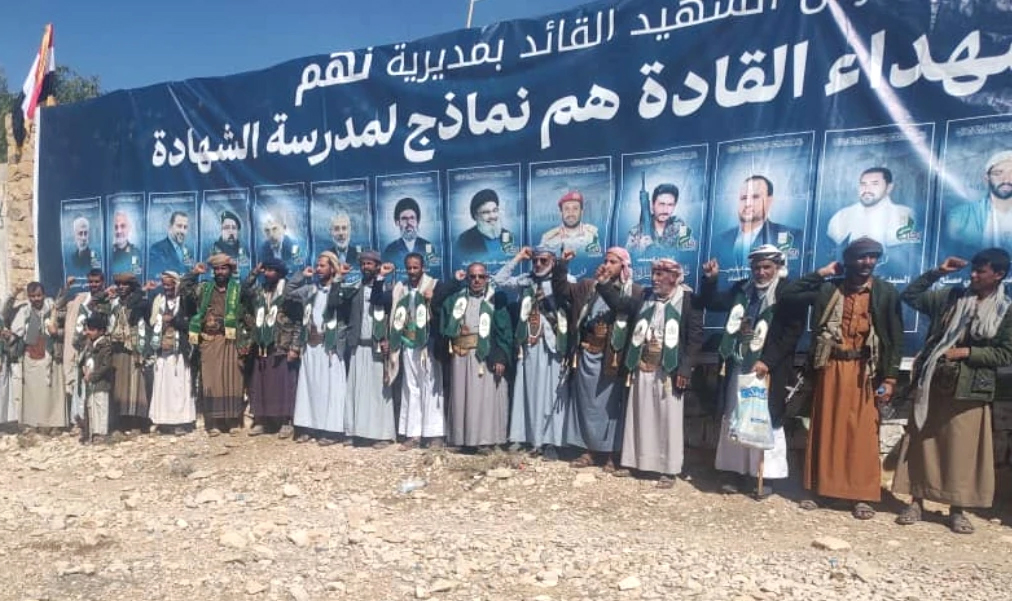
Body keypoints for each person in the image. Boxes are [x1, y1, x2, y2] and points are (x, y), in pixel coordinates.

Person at [780, 237, 903, 519]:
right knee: (827, 428)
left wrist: (891, 378)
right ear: (847, 261)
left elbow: (895, 338)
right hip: (831, 368)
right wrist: (821, 273)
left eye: (872, 257)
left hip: (865, 371)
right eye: (861, 257)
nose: (867, 262)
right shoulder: (829, 289)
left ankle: (861, 496)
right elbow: (788, 295)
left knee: (862, 433)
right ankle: (822, 490)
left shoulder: (885, 292)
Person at [893, 249, 1012, 534]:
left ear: (998, 275)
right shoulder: (952, 297)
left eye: (981, 271)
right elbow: (910, 296)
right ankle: (916, 502)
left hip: (971, 389)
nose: (973, 275)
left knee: (962, 452)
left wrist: (967, 352)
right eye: (973, 270)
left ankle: (957, 510)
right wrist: (938, 272)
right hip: (934, 383)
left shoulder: (1006, 310)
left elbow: (1006, 353)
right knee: (923, 443)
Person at [700, 245, 801, 497]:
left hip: (768, 369)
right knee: (735, 413)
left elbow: (791, 333)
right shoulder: (742, 289)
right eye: (756, 267)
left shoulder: (787, 292)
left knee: (764, 418)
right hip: (739, 362)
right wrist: (711, 280)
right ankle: (733, 471)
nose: (761, 272)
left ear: (778, 267)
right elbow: (713, 303)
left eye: (767, 267)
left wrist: (768, 360)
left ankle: (764, 475)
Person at [553, 247, 645, 472]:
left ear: (623, 266)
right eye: (606, 260)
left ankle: (612, 454)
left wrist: (604, 285)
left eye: (613, 262)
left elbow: (620, 306)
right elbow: (562, 290)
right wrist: (562, 265)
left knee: (610, 408)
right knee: (587, 405)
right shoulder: (588, 285)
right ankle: (589, 450)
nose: (607, 265)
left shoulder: (634, 291)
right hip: (588, 354)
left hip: (612, 358)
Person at [620, 259, 703, 487]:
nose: (654, 279)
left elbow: (695, 339)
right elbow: (620, 304)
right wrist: (606, 283)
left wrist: (685, 368)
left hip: (670, 369)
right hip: (643, 365)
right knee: (640, 414)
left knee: (668, 419)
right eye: (654, 274)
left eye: (660, 275)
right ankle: (637, 462)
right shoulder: (645, 296)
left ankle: (668, 469)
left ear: (674, 278)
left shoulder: (688, 300)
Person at [493, 246, 570, 459]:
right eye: (535, 260)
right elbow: (499, 280)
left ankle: (552, 441)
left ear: (553, 262)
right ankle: (532, 439)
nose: (538, 264)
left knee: (552, 393)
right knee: (530, 391)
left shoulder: (565, 281)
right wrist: (518, 257)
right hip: (530, 345)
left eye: (543, 260)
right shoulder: (527, 280)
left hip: (553, 345)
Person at [372, 253, 452, 449]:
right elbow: (377, 298)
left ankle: (434, 434)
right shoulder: (400, 288)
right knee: (411, 388)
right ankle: (413, 434)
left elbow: (449, 300)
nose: (412, 271)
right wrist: (380, 276)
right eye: (409, 268)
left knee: (431, 386)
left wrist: (434, 298)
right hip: (407, 343)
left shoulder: (434, 285)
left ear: (423, 268)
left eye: (416, 267)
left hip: (428, 344)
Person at [441, 262, 512, 451]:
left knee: (485, 399)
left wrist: (500, 357)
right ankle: (463, 440)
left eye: (481, 276)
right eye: (472, 276)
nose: (477, 280)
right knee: (462, 399)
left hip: (485, 354)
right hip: (461, 357)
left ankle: (485, 440)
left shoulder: (494, 300)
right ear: (467, 279)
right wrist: (456, 329)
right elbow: (438, 308)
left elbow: (504, 331)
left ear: (487, 278)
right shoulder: (456, 299)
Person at [180, 254, 249, 436]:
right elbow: (184, 289)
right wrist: (194, 273)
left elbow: (249, 305)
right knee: (211, 381)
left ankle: (233, 421)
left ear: (230, 270)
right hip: (209, 339)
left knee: (232, 380)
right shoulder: (204, 288)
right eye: (216, 269)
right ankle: (213, 423)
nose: (220, 272)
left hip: (231, 340)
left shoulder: (238, 289)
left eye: (223, 268)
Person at [290, 252, 352, 445]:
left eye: (322, 266)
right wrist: (301, 275)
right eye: (317, 265)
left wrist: (338, 279)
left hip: (330, 345)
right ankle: (309, 427)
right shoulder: (310, 289)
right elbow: (288, 293)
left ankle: (332, 431)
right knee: (310, 386)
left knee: (331, 388)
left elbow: (335, 302)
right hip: (311, 344)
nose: (318, 269)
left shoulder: (342, 288)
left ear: (332, 268)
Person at [342, 250, 396, 447]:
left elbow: (382, 304)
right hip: (358, 345)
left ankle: (381, 435)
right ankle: (355, 431)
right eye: (363, 264)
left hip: (377, 346)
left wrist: (389, 340)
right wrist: (340, 277)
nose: (366, 267)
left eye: (370, 264)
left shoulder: (389, 287)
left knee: (378, 392)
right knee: (355, 390)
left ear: (377, 266)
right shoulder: (355, 288)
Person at [245, 258, 303, 439]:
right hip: (262, 344)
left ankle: (286, 421)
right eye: (265, 270)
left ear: (279, 273)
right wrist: (255, 272)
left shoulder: (288, 292)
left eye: (271, 270)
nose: (267, 273)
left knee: (284, 385)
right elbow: (243, 291)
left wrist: (295, 347)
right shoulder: (260, 290)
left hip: (282, 345)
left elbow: (298, 321)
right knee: (261, 383)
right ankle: (263, 421)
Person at [713, 176, 802, 275]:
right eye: (744, 198)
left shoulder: (791, 236)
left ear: (769, 201)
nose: (747, 204)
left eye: (755, 197)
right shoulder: (720, 240)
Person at [9, 283, 67, 433]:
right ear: (29, 297)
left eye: (39, 295)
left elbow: (64, 325)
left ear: (44, 295)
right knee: (33, 392)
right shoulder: (25, 311)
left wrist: (55, 331)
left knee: (52, 391)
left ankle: (53, 423)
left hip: (50, 354)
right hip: (32, 356)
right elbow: (16, 333)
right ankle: (34, 423)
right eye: (33, 296)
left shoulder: (52, 307)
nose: (36, 299)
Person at [61, 269, 112, 428]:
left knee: (97, 382)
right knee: (81, 382)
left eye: (97, 282)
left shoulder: (107, 300)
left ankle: (97, 424)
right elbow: (60, 306)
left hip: (98, 347)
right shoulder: (82, 298)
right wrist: (66, 287)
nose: (94, 284)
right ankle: (81, 419)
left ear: (102, 282)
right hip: (82, 346)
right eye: (91, 281)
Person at [147, 271, 195, 434]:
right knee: (162, 385)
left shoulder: (184, 302)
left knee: (178, 386)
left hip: (179, 351)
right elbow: (151, 322)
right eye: (165, 285)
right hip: (162, 350)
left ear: (177, 284)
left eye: (170, 285)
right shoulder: (158, 301)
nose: (167, 288)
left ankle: (179, 422)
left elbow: (189, 324)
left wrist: (174, 320)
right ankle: (162, 421)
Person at [826, 168, 916, 250]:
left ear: (889, 188)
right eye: (863, 184)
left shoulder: (905, 215)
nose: (867, 190)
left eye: (874, 184)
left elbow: (902, 251)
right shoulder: (842, 215)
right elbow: (832, 248)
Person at [107, 273, 152, 434]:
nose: (121, 287)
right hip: (118, 349)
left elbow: (146, 323)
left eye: (125, 284)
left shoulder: (141, 302)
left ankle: (137, 422)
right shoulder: (114, 303)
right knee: (119, 387)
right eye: (118, 284)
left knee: (135, 386)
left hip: (135, 349)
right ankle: (121, 422)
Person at [945, 151, 1012, 256]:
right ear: (986, 178)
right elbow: (949, 253)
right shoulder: (961, 216)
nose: (1006, 179)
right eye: (998, 173)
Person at [79, 312, 113, 444]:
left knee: (101, 406)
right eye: (88, 329)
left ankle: (101, 433)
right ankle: (91, 432)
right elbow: (84, 360)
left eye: (92, 330)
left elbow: (105, 366)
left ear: (101, 331)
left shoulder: (106, 346)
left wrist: (93, 376)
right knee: (90, 407)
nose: (88, 332)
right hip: (90, 383)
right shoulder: (88, 345)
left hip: (101, 383)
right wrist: (83, 370)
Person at [626, 184, 692, 252]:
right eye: (661, 204)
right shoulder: (636, 232)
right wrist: (639, 250)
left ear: (674, 206)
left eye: (670, 205)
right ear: (652, 205)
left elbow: (689, 253)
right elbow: (627, 256)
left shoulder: (681, 226)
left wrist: (655, 247)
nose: (665, 210)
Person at [455, 189, 517, 259]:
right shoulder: (465, 240)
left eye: (495, 210)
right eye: (486, 212)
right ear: (476, 216)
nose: (492, 216)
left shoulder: (509, 236)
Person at [538, 191, 601, 257]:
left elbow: (595, 258)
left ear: (581, 212)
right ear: (561, 213)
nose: (571, 213)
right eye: (566, 209)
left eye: (575, 208)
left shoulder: (592, 235)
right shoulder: (548, 238)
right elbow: (541, 261)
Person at [382, 197, 436, 268]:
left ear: (417, 221)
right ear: (397, 222)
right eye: (404, 219)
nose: (409, 223)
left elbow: (433, 270)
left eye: (412, 218)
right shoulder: (390, 249)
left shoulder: (428, 247)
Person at [148, 211, 193, 279]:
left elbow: (189, 274)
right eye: (179, 226)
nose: (182, 231)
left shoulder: (188, 250)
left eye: (185, 227)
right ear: (170, 227)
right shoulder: (156, 249)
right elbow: (156, 276)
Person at [110, 211, 143, 278]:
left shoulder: (136, 253)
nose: (119, 231)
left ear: (129, 228)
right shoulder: (108, 253)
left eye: (123, 226)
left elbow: (137, 277)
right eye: (116, 227)